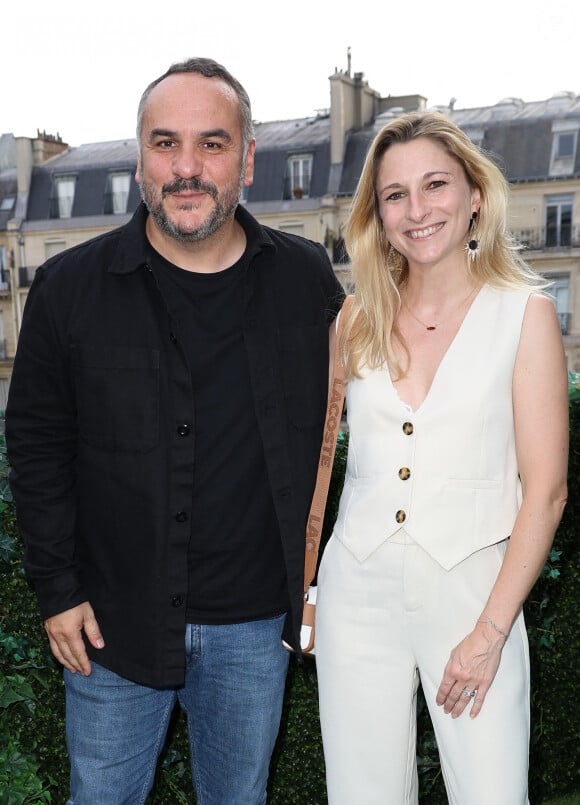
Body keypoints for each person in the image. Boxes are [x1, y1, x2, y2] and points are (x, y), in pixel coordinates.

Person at [5, 57, 343, 804]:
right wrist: (57, 591)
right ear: (139, 158)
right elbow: (35, 447)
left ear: (248, 159)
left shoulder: (306, 280)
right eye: (165, 144)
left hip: (256, 627)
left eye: (212, 144)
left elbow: (377, 404)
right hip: (110, 628)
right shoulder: (69, 289)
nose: (186, 168)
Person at [315, 111, 568, 804]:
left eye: (435, 185)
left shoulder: (525, 314)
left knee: (491, 793)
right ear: (378, 213)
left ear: (475, 196)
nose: (417, 209)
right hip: (356, 596)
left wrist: (489, 632)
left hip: (474, 595)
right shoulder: (354, 319)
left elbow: (545, 492)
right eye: (395, 194)